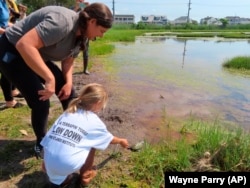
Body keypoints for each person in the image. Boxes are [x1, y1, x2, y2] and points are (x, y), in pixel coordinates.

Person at [0, 3, 113, 159]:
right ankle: (41, 143)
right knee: (41, 100)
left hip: (35, 53)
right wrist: (49, 77)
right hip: (12, 50)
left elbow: (68, 60)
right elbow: (24, 44)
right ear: (92, 21)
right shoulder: (62, 22)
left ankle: (74, 131)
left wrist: (67, 82)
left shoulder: (84, 35)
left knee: (68, 93)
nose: (101, 36)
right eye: (102, 31)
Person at [41, 83, 129, 187]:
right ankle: (85, 177)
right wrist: (121, 141)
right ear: (98, 103)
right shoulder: (94, 121)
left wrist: (45, 163)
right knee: (93, 142)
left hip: (47, 163)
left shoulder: (67, 113)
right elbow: (109, 139)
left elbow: (48, 138)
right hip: (64, 166)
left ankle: (59, 178)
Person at [0, 0, 23, 109]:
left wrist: (17, 27)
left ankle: (13, 91)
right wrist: (8, 32)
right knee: (7, 69)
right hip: (2, 42)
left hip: (5, 40)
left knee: (11, 65)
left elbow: (4, 23)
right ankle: (9, 101)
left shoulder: (4, 2)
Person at [74, 0, 91, 75]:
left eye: (82, 1)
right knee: (71, 51)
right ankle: (68, 68)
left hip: (84, 33)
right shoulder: (72, 7)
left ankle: (85, 69)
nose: (81, 2)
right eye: (79, 1)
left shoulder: (87, 8)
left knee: (86, 51)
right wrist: (76, 8)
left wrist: (88, 7)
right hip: (75, 33)